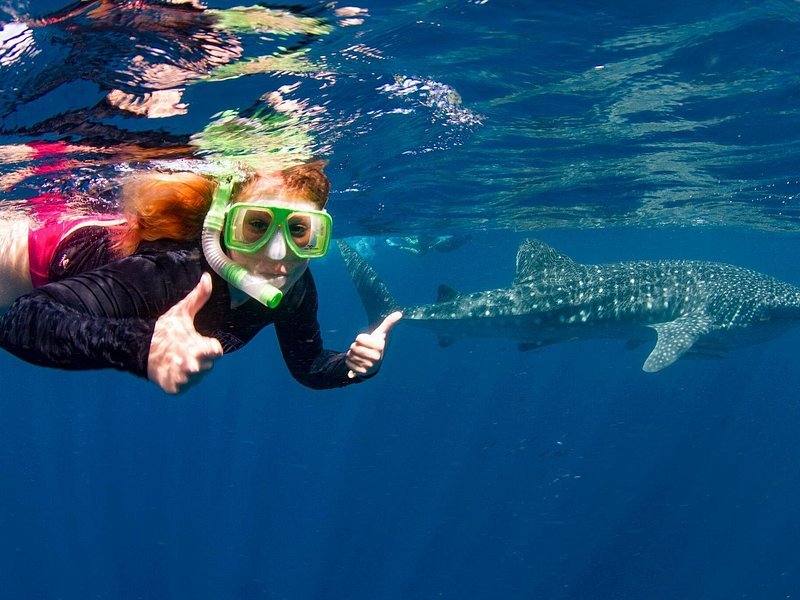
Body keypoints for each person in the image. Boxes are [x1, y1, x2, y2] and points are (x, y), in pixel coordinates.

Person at [0, 161, 402, 393]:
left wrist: (351, 366)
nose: (278, 254)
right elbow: (24, 318)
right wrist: (141, 347)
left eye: (299, 231)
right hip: (21, 252)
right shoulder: (177, 273)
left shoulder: (295, 290)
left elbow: (308, 364)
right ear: (222, 225)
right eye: (256, 225)